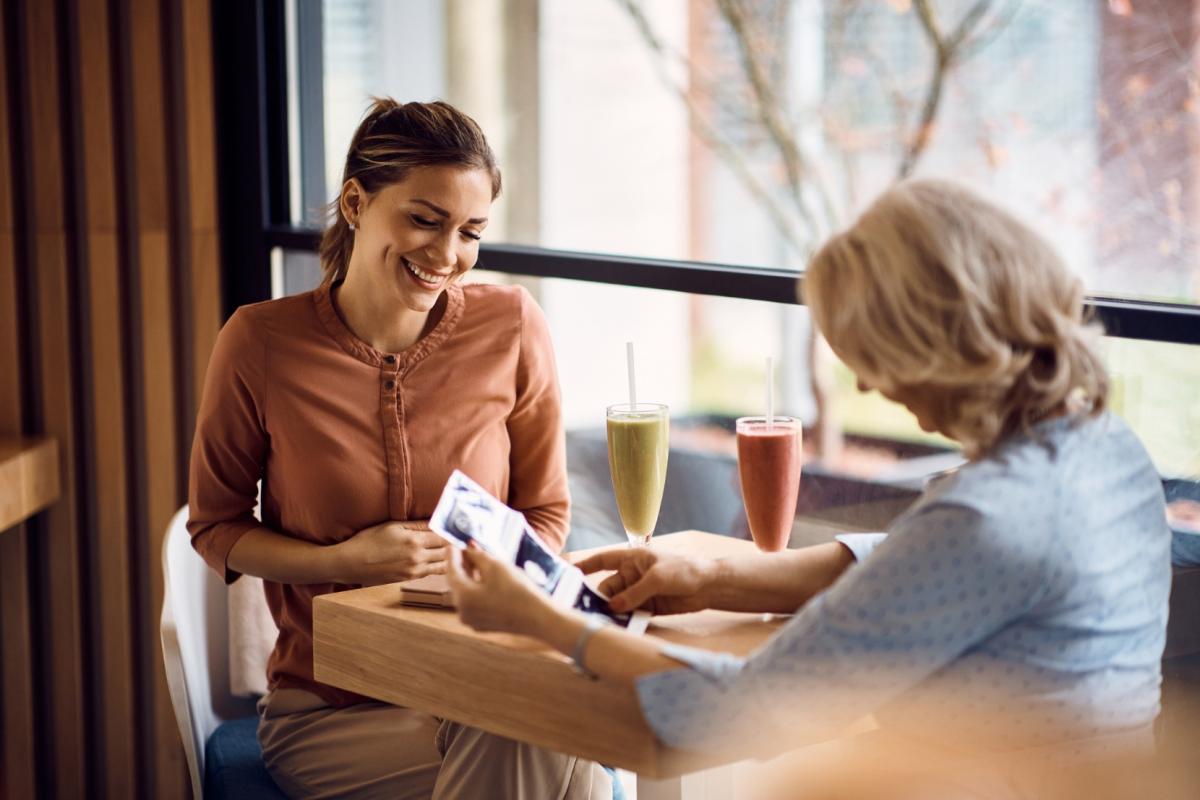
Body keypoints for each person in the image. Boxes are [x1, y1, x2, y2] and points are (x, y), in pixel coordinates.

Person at [448, 179, 1171, 790]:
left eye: (873, 354)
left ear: (938, 344)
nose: (864, 382)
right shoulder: (1105, 448)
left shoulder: (986, 520)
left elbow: (739, 707)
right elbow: (913, 565)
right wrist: (716, 575)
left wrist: (544, 621)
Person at [188, 98, 610, 799]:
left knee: (525, 722)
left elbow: (545, 516)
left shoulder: (511, 328)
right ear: (356, 202)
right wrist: (342, 562)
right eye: (424, 219)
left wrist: (483, 570)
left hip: (478, 673)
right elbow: (216, 530)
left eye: (471, 232)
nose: (448, 256)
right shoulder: (259, 342)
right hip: (329, 713)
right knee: (554, 745)